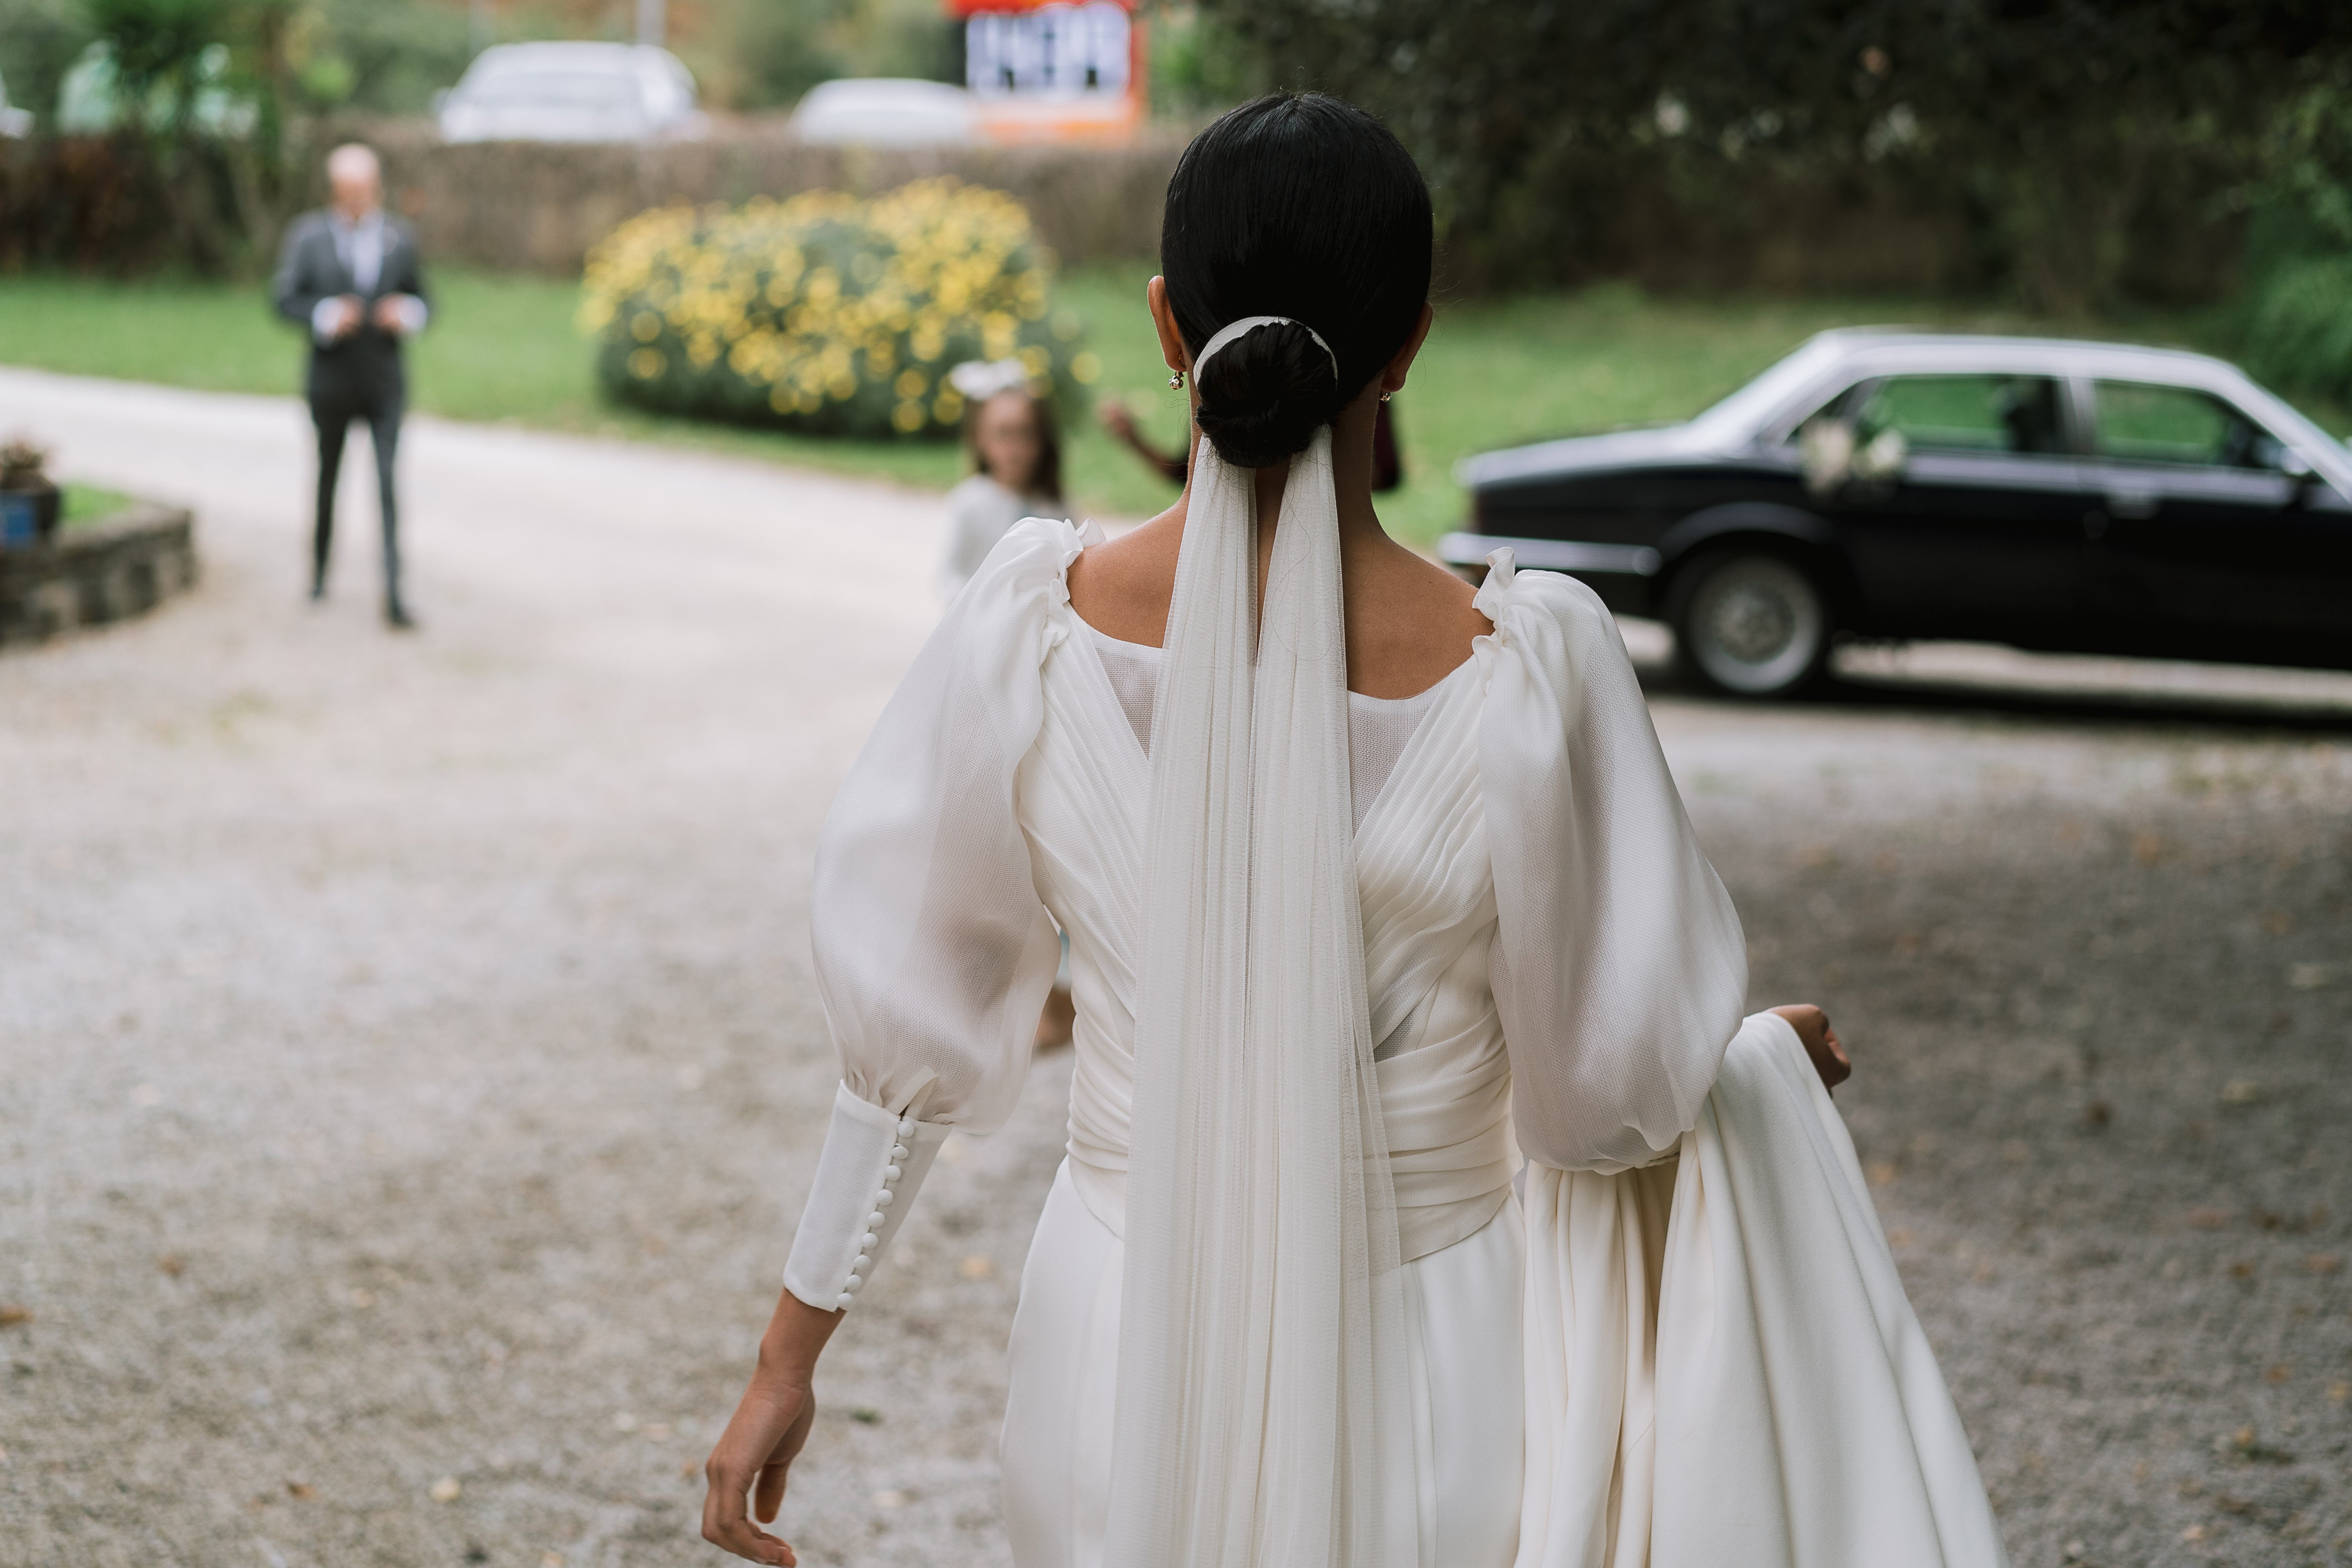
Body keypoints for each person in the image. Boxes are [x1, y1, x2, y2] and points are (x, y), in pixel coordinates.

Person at [703, 95, 2007, 1568]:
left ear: (1164, 328)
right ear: (1410, 344)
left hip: (1111, 1351)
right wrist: (1751, 1055)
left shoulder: (1030, 631)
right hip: (1440, 1354)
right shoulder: (1531, 664)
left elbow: (907, 1046)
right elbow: (1605, 1098)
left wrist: (785, 1362)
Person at [272, 143, 430, 629]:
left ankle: (394, 591)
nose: (357, 199)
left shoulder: (399, 238)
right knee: (327, 478)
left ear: (376, 187)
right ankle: (319, 573)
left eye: (363, 189)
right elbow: (283, 300)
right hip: (331, 381)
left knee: (386, 485)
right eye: (348, 190)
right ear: (335, 191)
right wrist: (325, 315)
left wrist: (403, 314)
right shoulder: (309, 237)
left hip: (384, 381)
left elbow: (425, 301)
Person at [1099, 384, 1405, 492]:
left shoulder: (1357, 374)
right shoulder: (1227, 375)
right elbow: (1186, 470)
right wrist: (1133, 439)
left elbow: (1386, 473)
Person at [940, 360, 1065, 598]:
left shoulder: (1054, 506)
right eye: (1003, 434)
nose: (1015, 449)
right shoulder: (969, 504)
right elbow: (949, 577)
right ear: (980, 439)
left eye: (1025, 433)